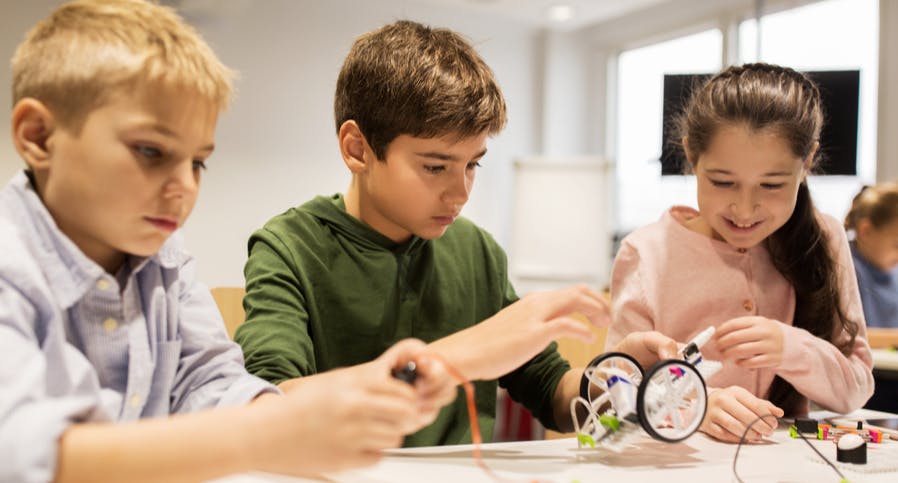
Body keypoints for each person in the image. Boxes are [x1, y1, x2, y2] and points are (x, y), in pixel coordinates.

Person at [0, 2, 457, 482]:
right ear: (38, 136)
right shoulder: (11, 266)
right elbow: (19, 452)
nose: (185, 187)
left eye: (197, 162)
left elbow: (210, 382)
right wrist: (272, 434)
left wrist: (308, 417)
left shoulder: (166, 263)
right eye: (151, 151)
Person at [235, 19, 678, 446]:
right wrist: (461, 354)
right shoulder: (288, 248)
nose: (461, 191)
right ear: (357, 149)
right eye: (435, 166)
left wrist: (617, 381)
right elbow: (269, 406)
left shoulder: (476, 251)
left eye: (473, 164)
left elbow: (549, 390)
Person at [604, 63, 874, 444]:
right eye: (723, 182)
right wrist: (698, 405)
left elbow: (856, 388)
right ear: (691, 156)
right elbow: (615, 392)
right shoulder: (647, 253)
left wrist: (791, 347)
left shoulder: (823, 238)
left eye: (771, 184)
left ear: (807, 162)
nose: (744, 210)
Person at [844, 182, 898, 328]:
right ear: (865, 231)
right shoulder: (848, 270)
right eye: (896, 246)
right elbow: (855, 337)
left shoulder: (893, 272)